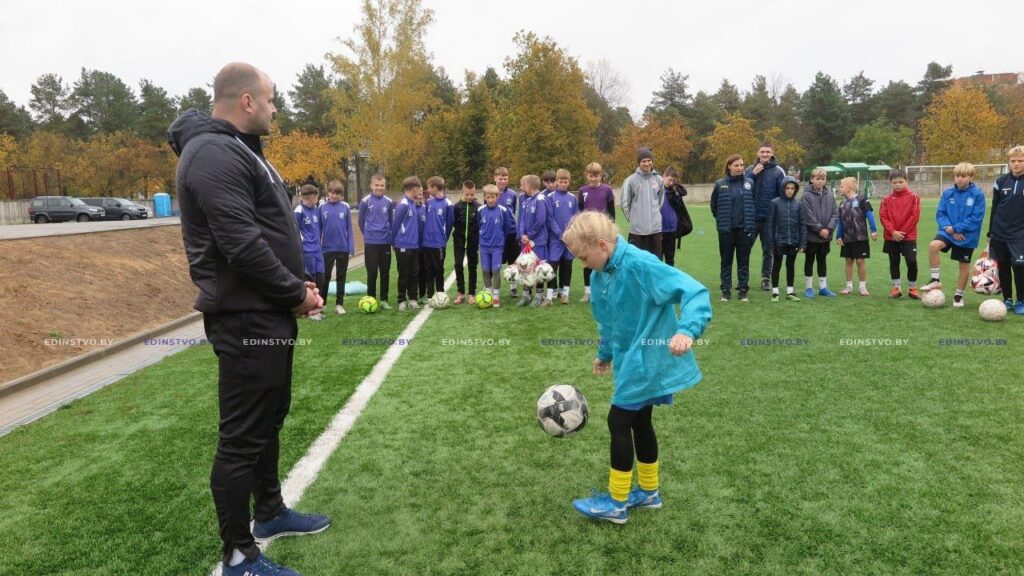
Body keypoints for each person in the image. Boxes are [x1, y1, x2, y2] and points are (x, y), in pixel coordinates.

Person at [168, 62, 330, 576]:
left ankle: (270, 512)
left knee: (268, 420)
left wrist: (296, 285)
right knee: (241, 438)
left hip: (267, 313)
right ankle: (238, 555)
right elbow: (240, 244)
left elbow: (267, 231)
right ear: (246, 101)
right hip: (246, 321)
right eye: (271, 99)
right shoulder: (212, 153)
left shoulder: (239, 149)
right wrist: (294, 293)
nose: (275, 108)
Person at [561, 211, 711, 524]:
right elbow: (608, 320)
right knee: (640, 421)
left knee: (618, 420)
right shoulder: (600, 276)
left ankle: (617, 503)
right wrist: (605, 353)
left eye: (584, 257)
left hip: (649, 360)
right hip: (630, 360)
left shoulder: (640, 264)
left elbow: (694, 290)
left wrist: (687, 330)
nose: (583, 265)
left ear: (602, 245)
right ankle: (649, 492)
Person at [920, 163, 986, 308]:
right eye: (957, 176)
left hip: (967, 235)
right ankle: (935, 280)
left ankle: (958, 295)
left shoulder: (977, 194)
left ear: (970, 177)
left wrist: (957, 229)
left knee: (963, 265)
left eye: (963, 176)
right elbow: (941, 213)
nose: (959, 179)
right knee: (933, 246)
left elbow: (976, 218)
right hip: (948, 231)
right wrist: (950, 229)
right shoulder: (948, 193)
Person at [710, 155, 755, 302]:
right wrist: (722, 219)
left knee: (744, 262)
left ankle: (743, 291)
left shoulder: (749, 183)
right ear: (729, 166)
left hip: (744, 230)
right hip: (726, 231)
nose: (740, 168)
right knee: (726, 261)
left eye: (742, 165)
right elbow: (714, 206)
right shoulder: (720, 184)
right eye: (736, 165)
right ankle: (726, 291)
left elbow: (753, 203)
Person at [746, 142, 788, 291]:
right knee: (745, 249)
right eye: (762, 151)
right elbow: (742, 188)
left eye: (767, 152)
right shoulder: (749, 170)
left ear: (772, 153)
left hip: (769, 219)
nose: (765, 154)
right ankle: (743, 279)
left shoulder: (778, 171)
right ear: (757, 153)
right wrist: (753, 174)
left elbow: (784, 194)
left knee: (768, 250)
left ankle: (765, 279)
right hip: (751, 218)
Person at [988, 146, 1024, 314]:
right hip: (1000, 231)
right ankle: (1007, 299)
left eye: (1020, 161)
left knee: (1019, 265)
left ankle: (1021, 300)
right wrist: (991, 231)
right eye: (1013, 161)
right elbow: (995, 206)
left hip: (1020, 233)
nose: (1016, 164)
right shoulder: (1001, 181)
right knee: (1003, 266)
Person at [576, 162, 616, 302]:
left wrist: (611, 230)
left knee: (604, 261)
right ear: (587, 176)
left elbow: (612, 213)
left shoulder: (607, 190)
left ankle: (605, 289)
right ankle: (588, 292)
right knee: (587, 260)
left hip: (603, 231)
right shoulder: (582, 191)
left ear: (601, 175)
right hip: (587, 233)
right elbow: (580, 212)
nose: (593, 178)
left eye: (596, 176)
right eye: (591, 176)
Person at [880, 168, 922, 299]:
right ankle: (896, 288)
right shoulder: (886, 199)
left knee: (911, 261)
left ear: (906, 181)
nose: (897, 184)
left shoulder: (914, 197)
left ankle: (912, 289)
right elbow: (883, 217)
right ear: (891, 183)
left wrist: (901, 233)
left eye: (900, 182)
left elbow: (914, 216)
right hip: (891, 237)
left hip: (908, 236)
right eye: (894, 182)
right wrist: (893, 232)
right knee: (894, 261)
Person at [835, 176, 879, 296]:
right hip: (847, 238)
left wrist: (873, 230)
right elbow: (841, 221)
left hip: (860, 237)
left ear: (849, 187)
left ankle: (862, 287)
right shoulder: (842, 203)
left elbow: (870, 215)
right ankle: (848, 286)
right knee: (848, 261)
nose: (840, 188)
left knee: (860, 261)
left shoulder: (862, 199)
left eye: (841, 186)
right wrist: (839, 236)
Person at [800, 167, 839, 298]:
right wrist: (819, 229)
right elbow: (807, 216)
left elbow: (835, 214)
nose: (820, 181)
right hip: (811, 236)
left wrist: (828, 229)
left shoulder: (830, 195)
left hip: (826, 236)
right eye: (817, 179)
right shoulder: (806, 196)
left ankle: (823, 287)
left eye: (823, 179)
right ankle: (809, 288)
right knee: (809, 260)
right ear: (812, 179)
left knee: (822, 260)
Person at [765, 177, 806, 301]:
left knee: (790, 265)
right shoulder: (775, 203)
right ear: (783, 189)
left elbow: (802, 225)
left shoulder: (798, 204)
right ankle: (775, 292)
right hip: (779, 241)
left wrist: (802, 244)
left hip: (793, 240)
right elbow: (769, 225)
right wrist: (770, 242)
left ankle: (790, 292)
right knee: (777, 265)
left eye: (792, 188)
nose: (790, 190)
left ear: (795, 190)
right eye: (787, 188)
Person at [621, 147, 665, 259]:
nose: (646, 163)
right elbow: (625, 203)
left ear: (652, 161)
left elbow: (660, 201)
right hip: (637, 232)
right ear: (639, 163)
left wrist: (654, 216)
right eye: (643, 161)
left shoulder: (659, 179)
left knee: (656, 262)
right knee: (637, 262)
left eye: (649, 160)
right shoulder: (630, 180)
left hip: (655, 230)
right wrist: (633, 220)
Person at [319, 180, 355, 315]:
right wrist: (318, 247)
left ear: (341, 195)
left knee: (341, 276)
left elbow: (349, 229)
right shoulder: (321, 208)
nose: (334, 196)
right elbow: (318, 229)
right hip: (327, 248)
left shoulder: (345, 207)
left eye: (337, 194)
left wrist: (351, 246)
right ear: (328, 193)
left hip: (342, 248)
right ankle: (322, 304)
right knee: (326, 276)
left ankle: (339, 304)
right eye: (332, 193)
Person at [359, 173, 394, 309]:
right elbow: (361, 222)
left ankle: (384, 300)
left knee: (385, 272)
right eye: (377, 185)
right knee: (372, 272)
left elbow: (391, 222)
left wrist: (389, 237)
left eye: (382, 185)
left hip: (385, 243)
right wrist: (369, 235)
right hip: (371, 243)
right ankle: (371, 299)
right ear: (371, 185)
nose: (379, 188)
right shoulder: (365, 201)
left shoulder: (389, 202)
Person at [389, 176, 424, 311]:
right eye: (419, 189)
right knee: (404, 274)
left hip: (414, 245)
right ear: (414, 189)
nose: (420, 191)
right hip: (403, 245)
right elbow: (395, 225)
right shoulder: (403, 204)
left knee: (414, 273)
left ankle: (413, 299)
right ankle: (402, 300)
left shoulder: (413, 203)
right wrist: (393, 243)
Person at [478, 184, 515, 307]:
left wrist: (500, 240)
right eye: (488, 197)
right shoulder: (480, 210)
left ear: (497, 197)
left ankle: (496, 296)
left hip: (497, 247)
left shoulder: (502, 211)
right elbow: (479, 226)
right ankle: (488, 293)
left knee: (496, 271)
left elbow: (506, 228)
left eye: (493, 197)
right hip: (484, 246)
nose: (490, 200)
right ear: (484, 197)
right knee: (485, 270)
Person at [517, 174, 550, 307]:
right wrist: (522, 235)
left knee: (538, 269)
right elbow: (522, 219)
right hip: (526, 241)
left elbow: (541, 220)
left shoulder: (541, 199)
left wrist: (529, 235)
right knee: (525, 267)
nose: (521, 187)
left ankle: (539, 296)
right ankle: (526, 295)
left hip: (538, 242)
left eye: (523, 185)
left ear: (529, 186)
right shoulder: (527, 200)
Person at [547, 168, 579, 305]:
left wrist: (570, 233)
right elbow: (549, 218)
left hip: (569, 240)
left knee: (567, 265)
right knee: (553, 265)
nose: (563, 184)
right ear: (556, 182)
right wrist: (559, 234)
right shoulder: (550, 197)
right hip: (555, 239)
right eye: (561, 181)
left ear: (569, 182)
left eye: (566, 181)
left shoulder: (572, 198)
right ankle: (551, 292)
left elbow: (576, 217)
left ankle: (565, 293)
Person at [295, 185, 326, 320]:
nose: (317, 199)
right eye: (316, 197)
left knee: (321, 278)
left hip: (318, 250)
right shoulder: (299, 211)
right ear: (311, 197)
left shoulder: (315, 209)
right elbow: (295, 232)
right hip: (307, 251)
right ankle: (310, 311)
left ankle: (318, 306)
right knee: (311, 280)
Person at [422, 176, 454, 299]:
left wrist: (443, 239)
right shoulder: (428, 202)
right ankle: (430, 295)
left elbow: (450, 224)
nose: (427, 190)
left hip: (439, 243)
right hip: (426, 243)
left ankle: (440, 293)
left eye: (429, 187)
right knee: (428, 269)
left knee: (438, 269)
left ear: (435, 187)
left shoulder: (448, 204)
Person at [452, 181, 481, 305]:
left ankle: (471, 293)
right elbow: (453, 223)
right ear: (462, 192)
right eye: (467, 194)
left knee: (472, 266)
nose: (470, 197)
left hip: (473, 241)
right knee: (458, 264)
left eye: (472, 194)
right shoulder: (456, 207)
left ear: (475, 193)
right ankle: (460, 292)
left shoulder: (479, 207)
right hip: (459, 240)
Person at [495, 167, 520, 298]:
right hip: (498, 233)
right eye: (500, 178)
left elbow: (513, 211)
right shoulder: (491, 193)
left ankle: (513, 287)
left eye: (505, 179)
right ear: (495, 178)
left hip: (511, 232)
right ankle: (494, 288)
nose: (503, 181)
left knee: (513, 261)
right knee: (497, 261)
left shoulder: (512, 194)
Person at [660, 166, 689, 267]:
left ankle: (669, 277)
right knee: (658, 259)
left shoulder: (675, 191)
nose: (671, 183)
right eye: (670, 180)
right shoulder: (657, 190)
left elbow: (683, 193)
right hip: (658, 230)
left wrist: (676, 190)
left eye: (674, 181)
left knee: (670, 259)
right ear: (664, 176)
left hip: (672, 229)